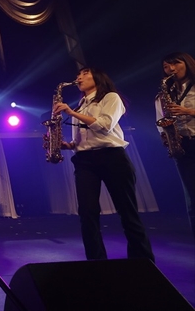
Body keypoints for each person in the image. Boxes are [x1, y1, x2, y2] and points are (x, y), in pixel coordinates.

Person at [53, 66, 155, 261]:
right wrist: (68, 145)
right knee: (87, 213)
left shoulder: (111, 97)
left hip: (112, 157)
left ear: (98, 78)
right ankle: (96, 262)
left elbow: (105, 125)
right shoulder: (81, 104)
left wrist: (71, 112)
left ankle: (143, 262)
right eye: (78, 74)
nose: (79, 77)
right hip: (84, 160)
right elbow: (84, 138)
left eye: (85, 74)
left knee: (127, 212)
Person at [155, 52, 195, 239]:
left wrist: (187, 111)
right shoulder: (165, 93)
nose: (171, 69)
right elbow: (160, 120)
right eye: (166, 66)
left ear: (187, 63)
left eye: (175, 63)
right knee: (192, 197)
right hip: (183, 145)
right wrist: (166, 135)